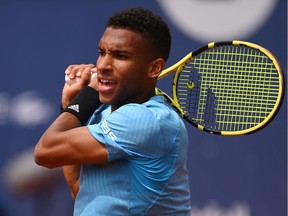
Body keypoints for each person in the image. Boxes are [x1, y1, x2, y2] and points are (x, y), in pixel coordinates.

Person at [34, 7, 191, 215]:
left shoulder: (148, 119)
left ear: (154, 68)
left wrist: (87, 94)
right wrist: (69, 103)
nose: (103, 66)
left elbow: (45, 152)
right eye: (102, 53)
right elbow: (79, 191)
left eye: (120, 56)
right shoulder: (102, 114)